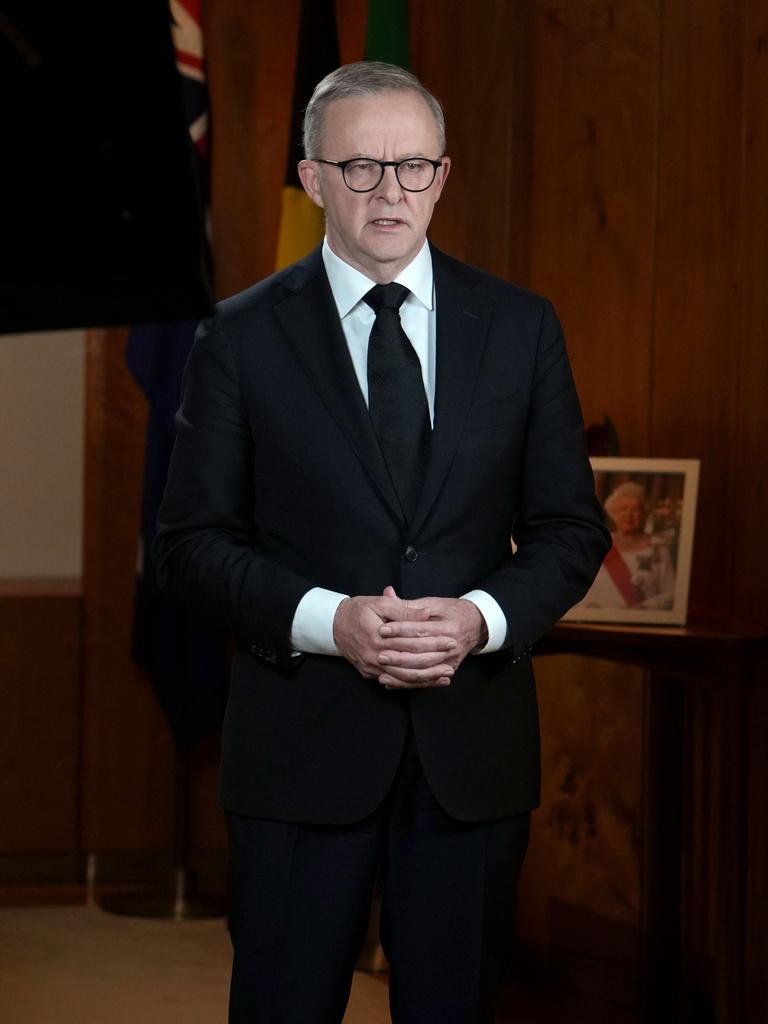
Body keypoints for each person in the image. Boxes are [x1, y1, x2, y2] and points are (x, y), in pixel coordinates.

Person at [154, 61, 610, 1024]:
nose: (390, 192)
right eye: (360, 168)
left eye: (412, 167)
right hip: (297, 750)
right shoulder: (236, 338)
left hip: (470, 754)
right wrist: (333, 622)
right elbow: (190, 544)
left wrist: (481, 620)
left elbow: (573, 529)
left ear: (443, 176)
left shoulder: (522, 330)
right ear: (313, 177)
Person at [574, 481, 675, 611]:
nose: (629, 515)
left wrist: (643, 608)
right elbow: (578, 584)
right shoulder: (599, 542)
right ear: (613, 514)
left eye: (635, 509)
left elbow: (670, 594)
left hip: (641, 622)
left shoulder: (658, 547)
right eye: (623, 509)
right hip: (597, 621)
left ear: (645, 513)